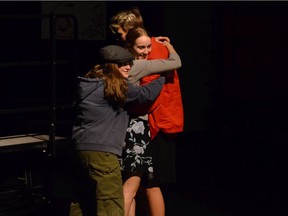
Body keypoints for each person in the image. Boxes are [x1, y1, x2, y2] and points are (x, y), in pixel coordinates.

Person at [69, 45, 166, 216]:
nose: (128, 66)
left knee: (83, 201)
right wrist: (163, 77)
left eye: (129, 62)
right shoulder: (112, 87)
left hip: (80, 149)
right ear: (111, 67)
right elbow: (146, 94)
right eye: (122, 64)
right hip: (102, 152)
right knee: (111, 204)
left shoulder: (88, 84)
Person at [109, 7, 184, 216]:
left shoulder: (151, 50)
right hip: (146, 122)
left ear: (130, 28)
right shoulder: (145, 50)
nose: (119, 37)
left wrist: (128, 111)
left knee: (148, 182)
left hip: (154, 122)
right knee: (141, 183)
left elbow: (151, 93)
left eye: (121, 32)